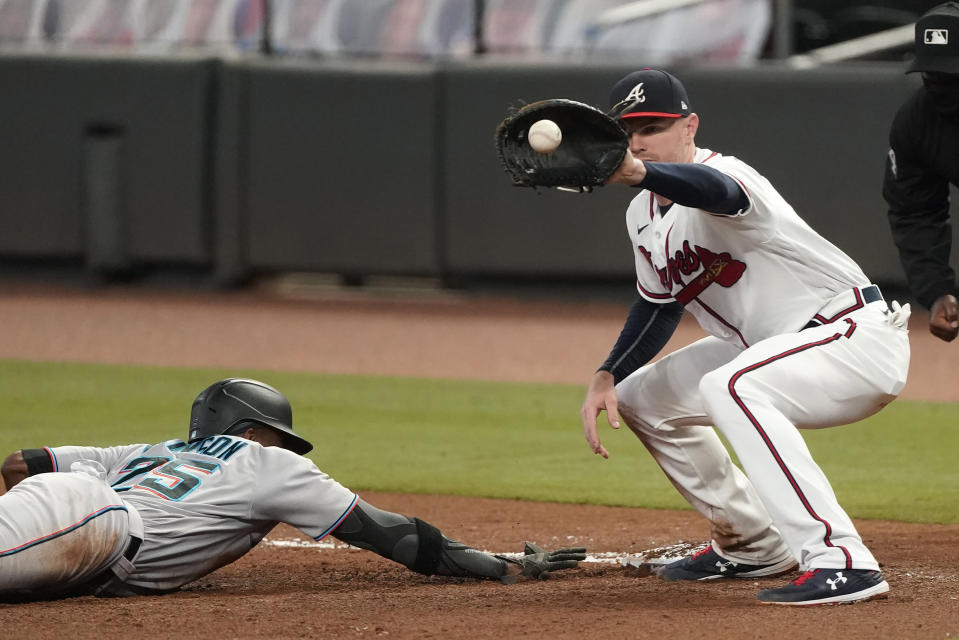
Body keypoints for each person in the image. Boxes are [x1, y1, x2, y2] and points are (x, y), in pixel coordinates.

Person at [579, 69, 911, 605]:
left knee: (731, 386)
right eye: (627, 129)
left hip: (849, 336)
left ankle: (842, 562)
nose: (638, 140)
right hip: (770, 346)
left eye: (654, 126)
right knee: (642, 399)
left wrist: (641, 172)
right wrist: (607, 375)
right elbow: (659, 304)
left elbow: (719, 193)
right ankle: (752, 543)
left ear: (690, 126)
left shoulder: (728, 173)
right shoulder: (641, 212)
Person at [0, 378, 585, 598]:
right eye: (278, 436)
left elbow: (20, 463)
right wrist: (501, 568)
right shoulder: (261, 462)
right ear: (250, 430)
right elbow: (391, 535)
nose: (284, 448)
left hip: (73, 513)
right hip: (92, 519)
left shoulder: (148, 452)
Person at [884, 1, 959, 343]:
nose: (941, 86)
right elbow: (915, 212)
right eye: (932, 74)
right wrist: (937, 290)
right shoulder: (917, 122)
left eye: (953, 74)